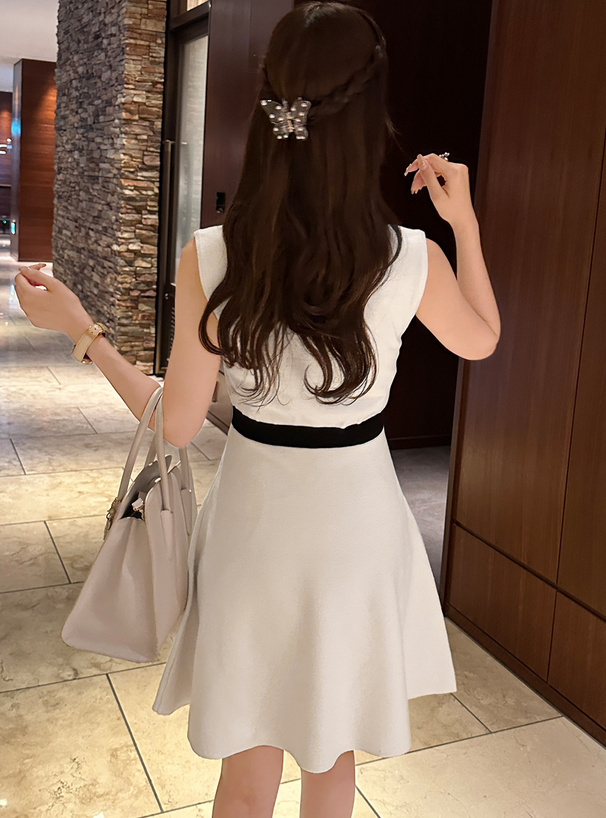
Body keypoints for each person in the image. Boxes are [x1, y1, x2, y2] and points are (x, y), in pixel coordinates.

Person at [14, 2, 500, 817]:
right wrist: (465, 225)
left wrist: (83, 330)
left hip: (252, 530)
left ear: (272, 108)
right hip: (359, 531)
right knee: (332, 760)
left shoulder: (212, 254)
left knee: (246, 770)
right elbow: (481, 340)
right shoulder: (410, 258)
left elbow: (175, 424)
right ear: (370, 119)